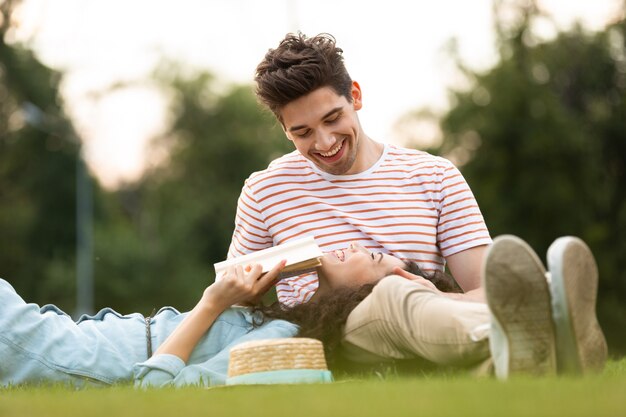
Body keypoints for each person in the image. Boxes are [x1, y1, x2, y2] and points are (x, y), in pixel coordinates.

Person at [0, 242, 435, 388]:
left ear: (368, 294)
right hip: (76, 341)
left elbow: (156, 393)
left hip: (78, 359)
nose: (357, 244)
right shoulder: (286, 320)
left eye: (373, 255)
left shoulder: (287, 339)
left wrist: (212, 303)